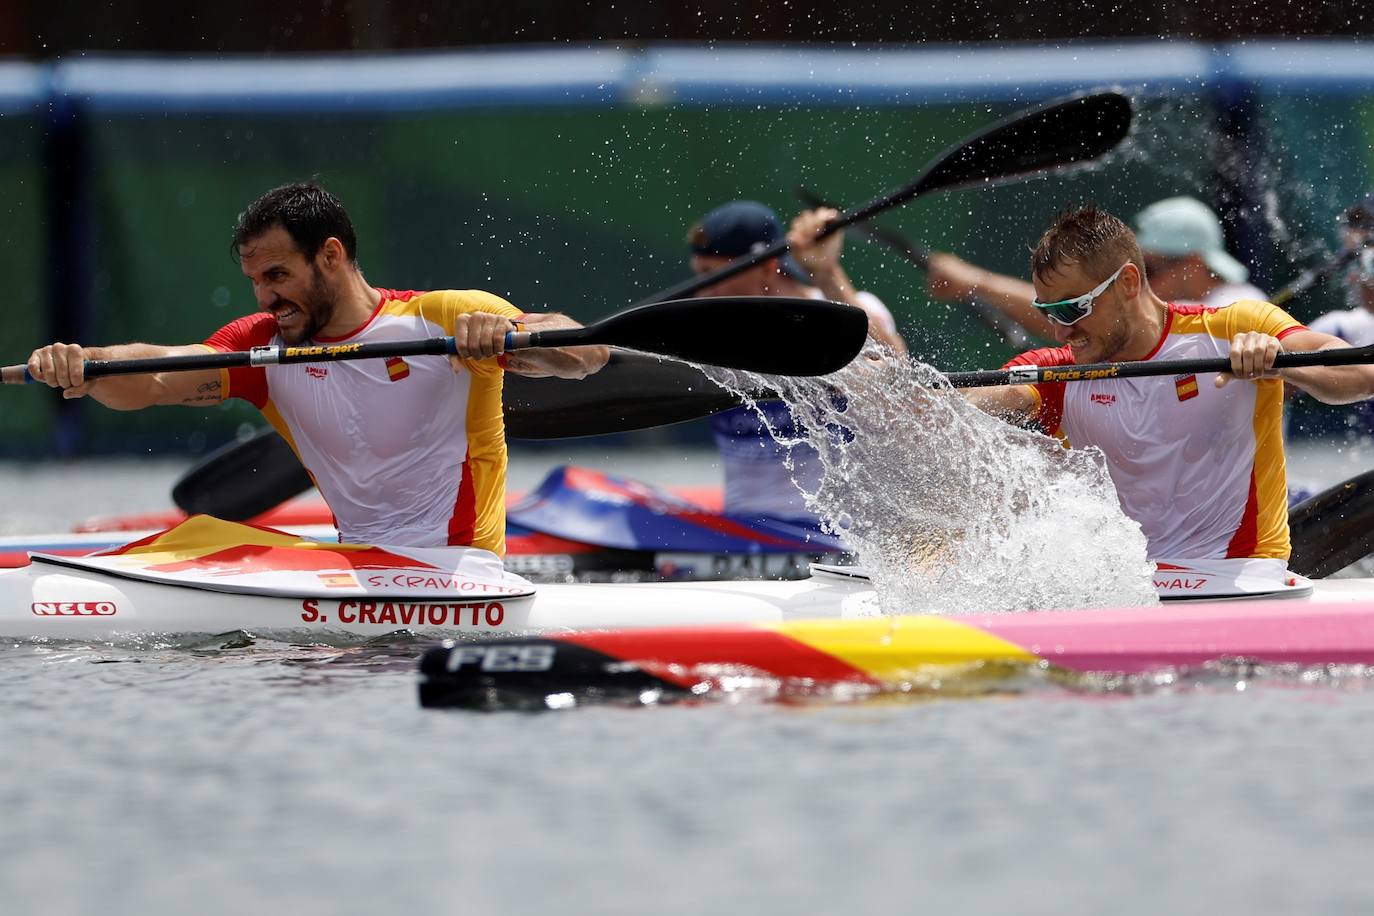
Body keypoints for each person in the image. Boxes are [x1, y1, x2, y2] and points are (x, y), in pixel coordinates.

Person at [26, 182, 608, 554]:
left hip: (458, 572)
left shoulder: (445, 318)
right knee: (194, 538)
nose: (263, 300)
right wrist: (87, 365)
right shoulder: (261, 347)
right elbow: (156, 376)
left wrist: (508, 338)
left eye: (277, 277)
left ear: (330, 256)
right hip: (354, 566)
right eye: (255, 282)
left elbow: (588, 354)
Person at [960, 204, 1374, 575]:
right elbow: (958, 405)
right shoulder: (1058, 373)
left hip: (1240, 582)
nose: (1059, 329)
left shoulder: (1233, 327)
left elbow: (1361, 374)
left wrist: (1281, 361)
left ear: (1127, 282)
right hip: (1129, 589)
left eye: (1073, 308)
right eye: (1048, 312)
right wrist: (902, 392)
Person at [687, 199, 905, 524]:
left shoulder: (848, 312)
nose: (700, 294)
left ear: (765, 267)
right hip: (747, 536)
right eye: (697, 275)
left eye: (710, 275)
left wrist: (826, 273)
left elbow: (899, 375)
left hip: (841, 537)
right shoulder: (702, 333)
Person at [926, 196, 1268, 342]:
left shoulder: (1240, 304)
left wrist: (975, 281)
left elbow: (1081, 314)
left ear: (1193, 264)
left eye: (1147, 267)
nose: (1134, 279)